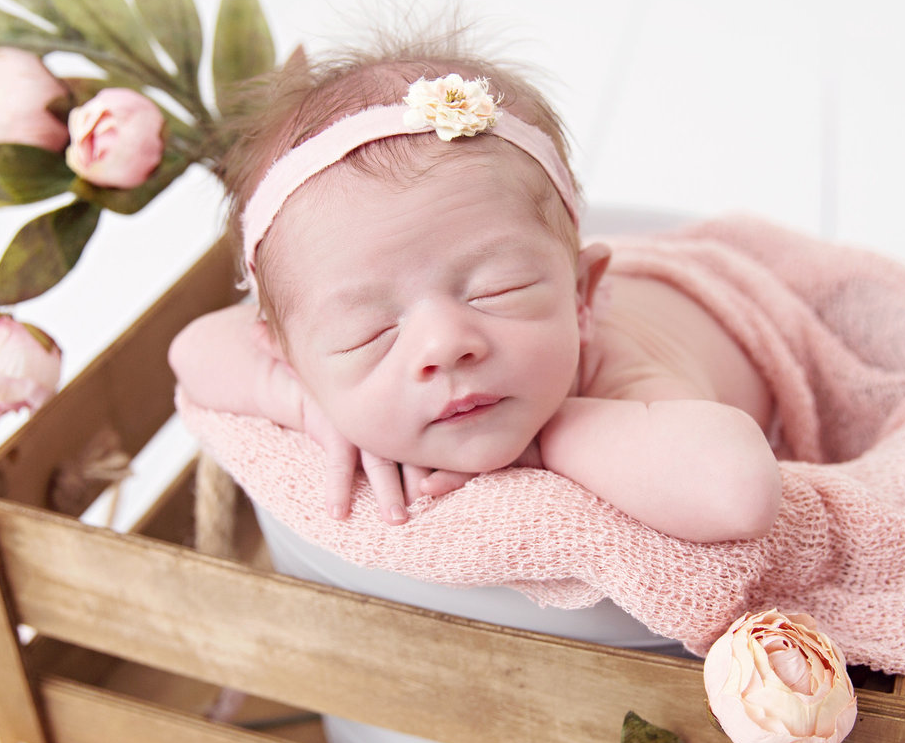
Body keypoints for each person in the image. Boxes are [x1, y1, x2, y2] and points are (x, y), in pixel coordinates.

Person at [169, 37, 782, 544]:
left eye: (497, 289)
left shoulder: (622, 376)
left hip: (724, 304)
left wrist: (548, 436)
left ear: (581, 297)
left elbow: (736, 491)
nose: (444, 344)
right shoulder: (305, 366)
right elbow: (192, 350)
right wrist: (306, 403)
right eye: (370, 331)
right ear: (288, 355)